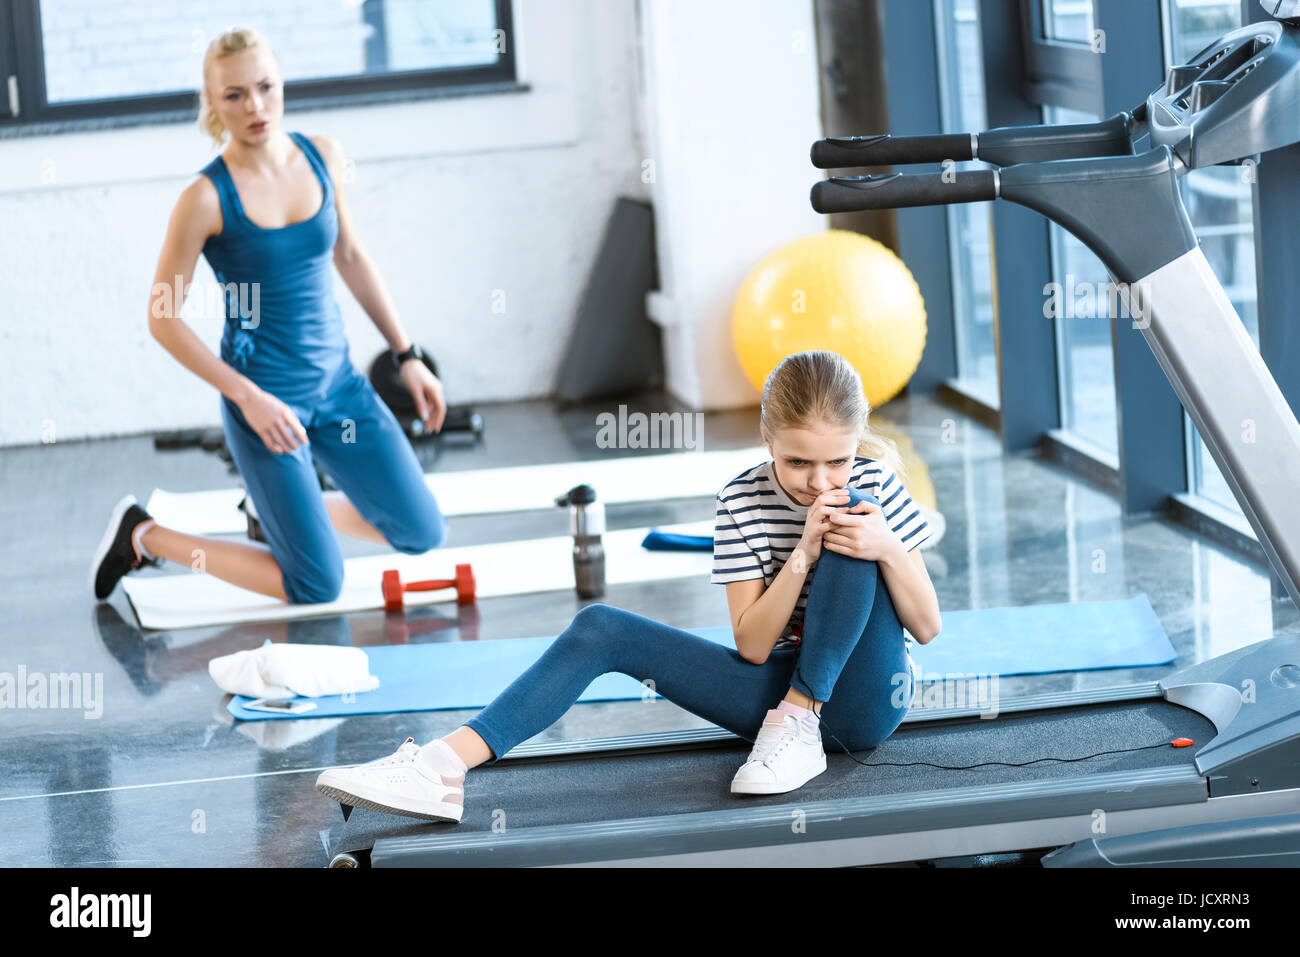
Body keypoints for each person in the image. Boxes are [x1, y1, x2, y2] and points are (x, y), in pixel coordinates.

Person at [316, 350, 943, 822]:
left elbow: (927, 626)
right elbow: (752, 645)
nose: (816, 479)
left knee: (853, 519)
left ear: (855, 444)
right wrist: (801, 553)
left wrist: (884, 544)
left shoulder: (871, 484)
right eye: (798, 461)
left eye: (835, 459)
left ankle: (804, 716)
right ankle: (441, 767)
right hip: (771, 694)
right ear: (767, 441)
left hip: (864, 703)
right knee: (600, 628)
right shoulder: (741, 499)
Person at [90, 27, 449, 606]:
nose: (255, 106)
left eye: (265, 87)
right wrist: (246, 397)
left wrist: (407, 356)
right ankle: (143, 533)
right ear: (212, 104)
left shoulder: (324, 156)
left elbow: (351, 255)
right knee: (316, 584)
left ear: (283, 84)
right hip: (266, 404)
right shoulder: (204, 199)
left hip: (340, 388)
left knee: (422, 531)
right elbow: (163, 317)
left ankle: (282, 512)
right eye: (234, 95)